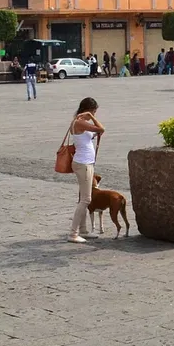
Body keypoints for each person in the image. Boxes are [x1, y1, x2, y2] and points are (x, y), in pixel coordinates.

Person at [66, 96, 105, 243]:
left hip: (83, 162)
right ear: (88, 110)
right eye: (93, 111)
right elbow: (102, 128)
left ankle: (82, 230)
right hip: (84, 164)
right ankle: (73, 233)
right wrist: (91, 118)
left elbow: (90, 135)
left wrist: (94, 133)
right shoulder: (81, 122)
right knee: (86, 199)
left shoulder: (78, 122)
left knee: (82, 197)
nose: (94, 114)